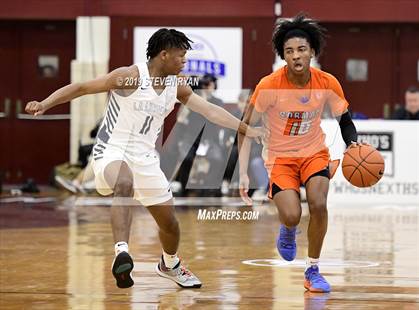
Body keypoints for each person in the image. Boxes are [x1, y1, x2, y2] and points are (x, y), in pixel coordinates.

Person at [25, 28, 261, 289]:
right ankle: (122, 253)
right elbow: (81, 87)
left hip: (146, 158)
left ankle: (169, 265)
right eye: (181, 56)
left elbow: (211, 111)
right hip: (112, 149)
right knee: (123, 182)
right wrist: (45, 103)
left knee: (170, 224)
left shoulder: (177, 86)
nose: (185, 62)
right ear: (163, 55)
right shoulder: (129, 77)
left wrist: (246, 129)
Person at [238, 15, 361, 293]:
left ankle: (313, 269)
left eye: (301, 49)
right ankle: (289, 228)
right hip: (280, 158)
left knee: (318, 203)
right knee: (292, 215)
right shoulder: (269, 85)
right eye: (290, 51)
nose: (296, 55)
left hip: (314, 153)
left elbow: (345, 120)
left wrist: (352, 143)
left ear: (312, 52)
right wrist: (243, 172)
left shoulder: (327, 82)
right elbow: (245, 128)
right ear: (283, 56)